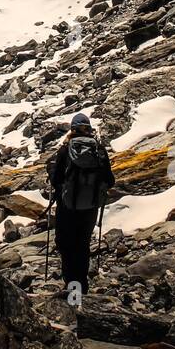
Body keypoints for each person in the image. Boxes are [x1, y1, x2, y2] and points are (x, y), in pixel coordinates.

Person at [46, 113, 114, 295]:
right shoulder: (99, 150)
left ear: (72, 129)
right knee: (82, 245)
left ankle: (71, 288)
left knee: (66, 246)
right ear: (89, 129)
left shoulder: (65, 150)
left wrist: (51, 169)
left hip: (67, 208)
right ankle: (81, 289)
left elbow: (57, 179)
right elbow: (110, 180)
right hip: (90, 208)